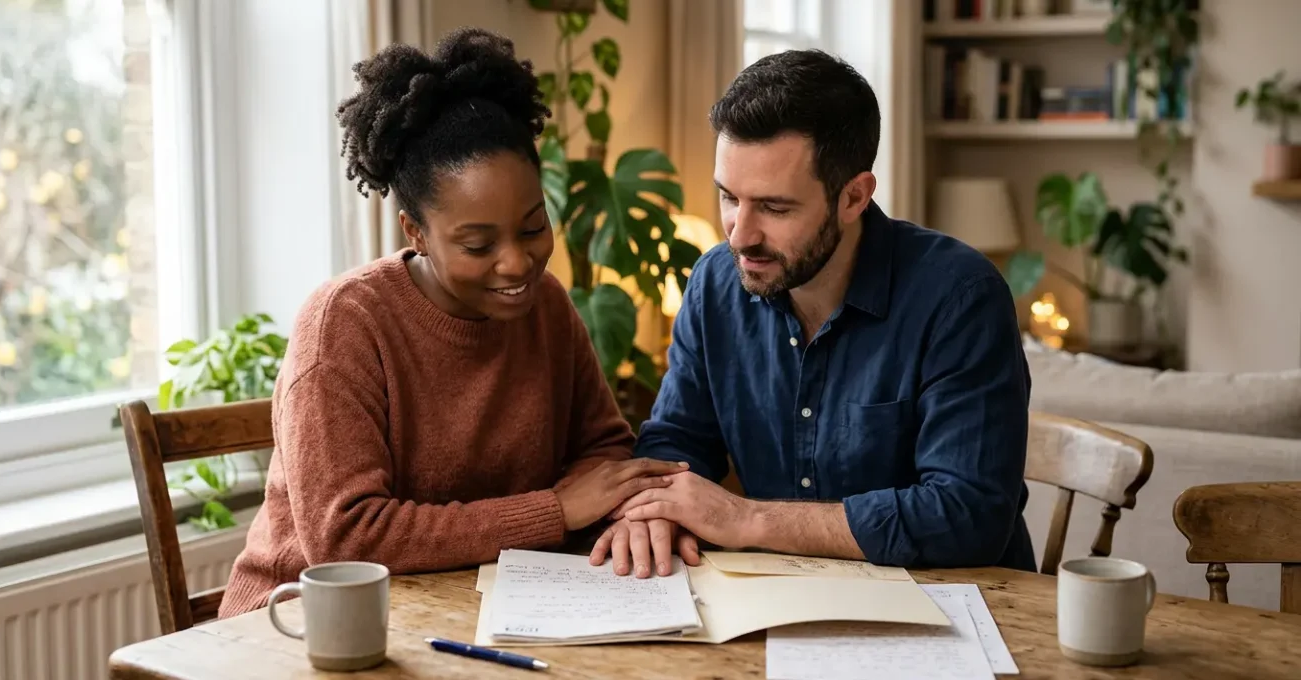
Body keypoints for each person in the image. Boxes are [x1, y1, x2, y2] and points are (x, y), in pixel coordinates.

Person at [218, 28, 686, 618]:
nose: (517, 262)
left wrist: (603, 492)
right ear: (415, 231)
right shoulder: (344, 325)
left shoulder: (546, 305)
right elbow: (347, 537)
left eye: (532, 226)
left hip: (471, 609)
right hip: (300, 628)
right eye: (477, 243)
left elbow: (602, 445)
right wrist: (557, 511)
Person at [590, 48, 1036, 579]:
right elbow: (676, 444)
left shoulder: (961, 298)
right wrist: (653, 516)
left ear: (854, 197)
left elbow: (967, 516)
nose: (740, 234)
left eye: (775, 208)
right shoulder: (715, 283)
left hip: (958, 610)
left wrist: (749, 519)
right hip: (776, 602)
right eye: (729, 197)